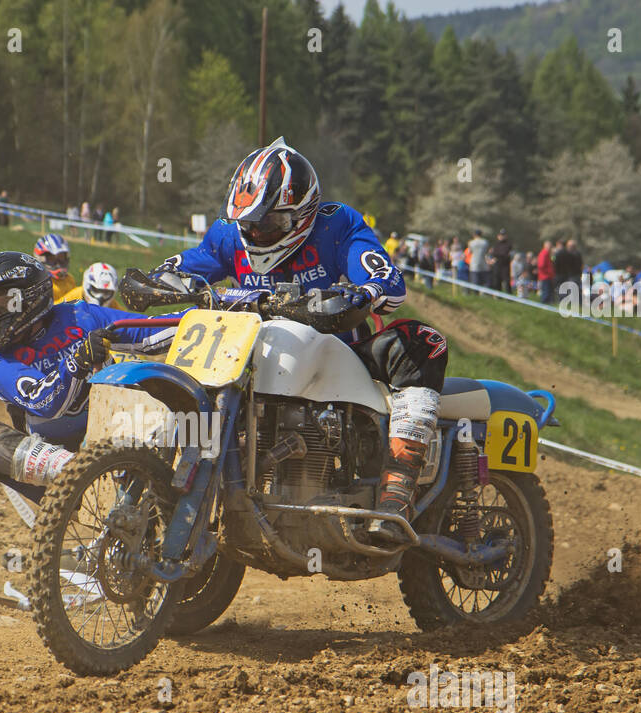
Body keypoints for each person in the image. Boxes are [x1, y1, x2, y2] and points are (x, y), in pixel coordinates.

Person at [141, 136, 444, 539]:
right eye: (248, 223)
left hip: (342, 350)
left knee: (422, 342)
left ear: (302, 213)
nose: (257, 232)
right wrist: (158, 279)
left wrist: (365, 291)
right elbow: (197, 262)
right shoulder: (229, 236)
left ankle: (397, 488)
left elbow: (386, 279)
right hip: (253, 351)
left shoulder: (337, 224)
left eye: (269, 223)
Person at [0, 252, 177, 501]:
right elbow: (46, 403)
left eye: (0, 306)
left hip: (118, 432)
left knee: (179, 406)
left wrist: (209, 314)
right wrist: (77, 361)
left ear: (29, 298)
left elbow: (150, 333)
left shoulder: (80, 315)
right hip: (56, 458)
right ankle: (81, 475)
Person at [58, 262, 123, 309]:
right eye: (96, 290)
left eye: (106, 292)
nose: (100, 296)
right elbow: (55, 308)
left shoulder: (113, 305)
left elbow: (126, 318)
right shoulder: (74, 296)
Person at [33, 233, 79, 299]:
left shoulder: (69, 279)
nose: (58, 264)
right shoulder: (39, 283)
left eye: (61, 257)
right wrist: (77, 294)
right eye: (52, 258)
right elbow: (48, 307)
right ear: (40, 258)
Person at [488, 228, 512, 293]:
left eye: (503, 235)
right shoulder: (496, 244)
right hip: (497, 265)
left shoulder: (508, 244)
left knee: (506, 281)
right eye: (500, 235)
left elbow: (503, 253)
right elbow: (493, 253)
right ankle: (499, 296)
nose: (501, 236)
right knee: (497, 281)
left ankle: (509, 296)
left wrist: (496, 255)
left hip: (505, 265)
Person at [536, 239, 555, 305]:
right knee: (546, 292)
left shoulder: (548, 254)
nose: (551, 247)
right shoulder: (544, 253)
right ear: (545, 246)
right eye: (550, 246)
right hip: (545, 276)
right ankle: (543, 305)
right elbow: (541, 265)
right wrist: (549, 271)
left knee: (548, 292)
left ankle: (547, 305)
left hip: (548, 276)